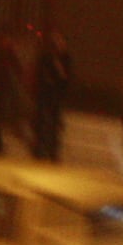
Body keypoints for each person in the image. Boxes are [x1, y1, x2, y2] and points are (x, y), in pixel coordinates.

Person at [32, 28, 73, 161]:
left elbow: (66, 77)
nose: (57, 43)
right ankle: (41, 150)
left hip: (57, 95)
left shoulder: (66, 59)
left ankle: (52, 152)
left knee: (54, 125)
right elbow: (40, 73)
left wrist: (58, 67)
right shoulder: (46, 57)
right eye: (54, 41)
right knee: (43, 123)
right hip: (45, 94)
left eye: (59, 41)